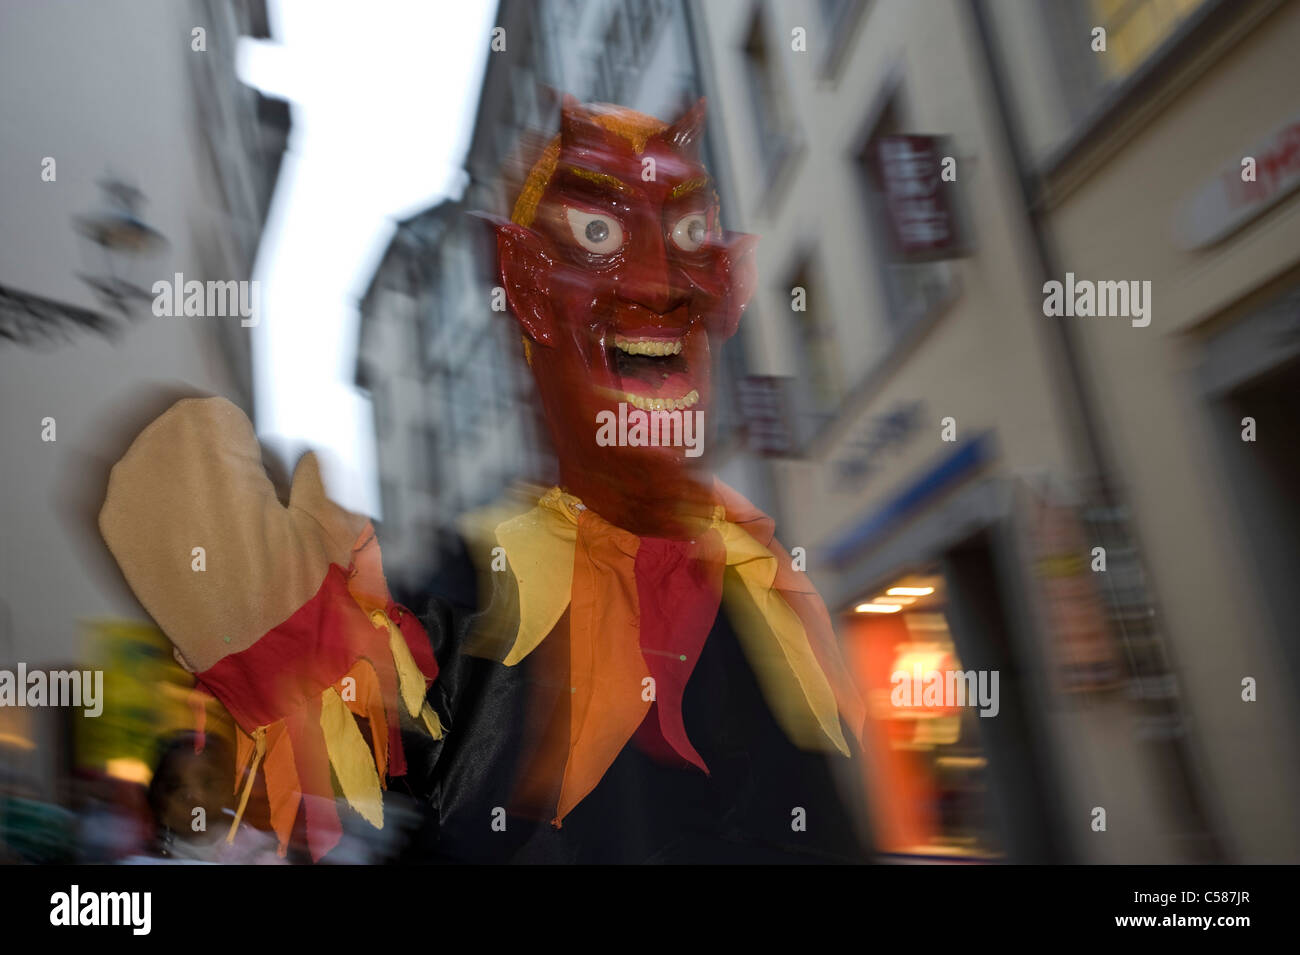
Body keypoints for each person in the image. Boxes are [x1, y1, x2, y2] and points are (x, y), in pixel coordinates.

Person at [100, 98, 873, 863]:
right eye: (598, 235)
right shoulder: (474, 602)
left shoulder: (751, 595)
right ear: (529, 292)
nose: (658, 285)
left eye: (689, 234)